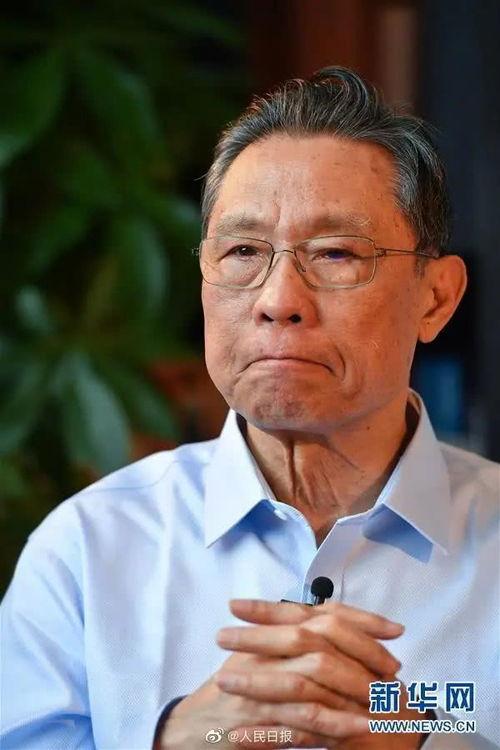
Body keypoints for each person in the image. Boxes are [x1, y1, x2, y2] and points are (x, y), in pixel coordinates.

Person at [1, 66, 498, 750]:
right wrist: (170, 741)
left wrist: (420, 742)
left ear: (435, 298)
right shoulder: (87, 550)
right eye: (242, 251)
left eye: (335, 253)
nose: (277, 299)